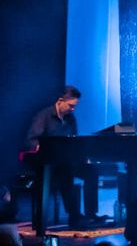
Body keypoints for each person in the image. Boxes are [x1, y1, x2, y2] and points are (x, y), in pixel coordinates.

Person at [24, 85, 101, 228]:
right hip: (49, 163)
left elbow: (74, 140)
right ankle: (74, 216)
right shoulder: (44, 116)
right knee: (66, 172)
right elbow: (31, 140)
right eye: (71, 106)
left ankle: (91, 214)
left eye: (75, 106)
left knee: (91, 171)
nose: (73, 109)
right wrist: (39, 146)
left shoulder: (71, 119)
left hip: (67, 160)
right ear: (60, 101)